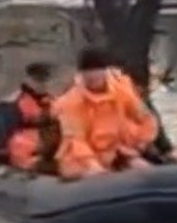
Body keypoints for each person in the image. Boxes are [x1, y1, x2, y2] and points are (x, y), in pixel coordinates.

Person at [52, 47, 159, 179]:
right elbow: (76, 140)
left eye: (97, 70)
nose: (92, 75)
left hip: (119, 151)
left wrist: (141, 144)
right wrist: (93, 165)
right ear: (81, 74)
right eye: (87, 71)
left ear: (105, 71)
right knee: (93, 175)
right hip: (83, 159)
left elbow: (145, 117)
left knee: (145, 170)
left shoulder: (123, 90)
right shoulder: (70, 102)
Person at [0, 61, 60, 174]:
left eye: (44, 79)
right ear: (27, 79)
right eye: (37, 79)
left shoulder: (55, 102)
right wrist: (0, 164)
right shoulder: (10, 105)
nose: (41, 84)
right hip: (25, 162)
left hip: (50, 158)